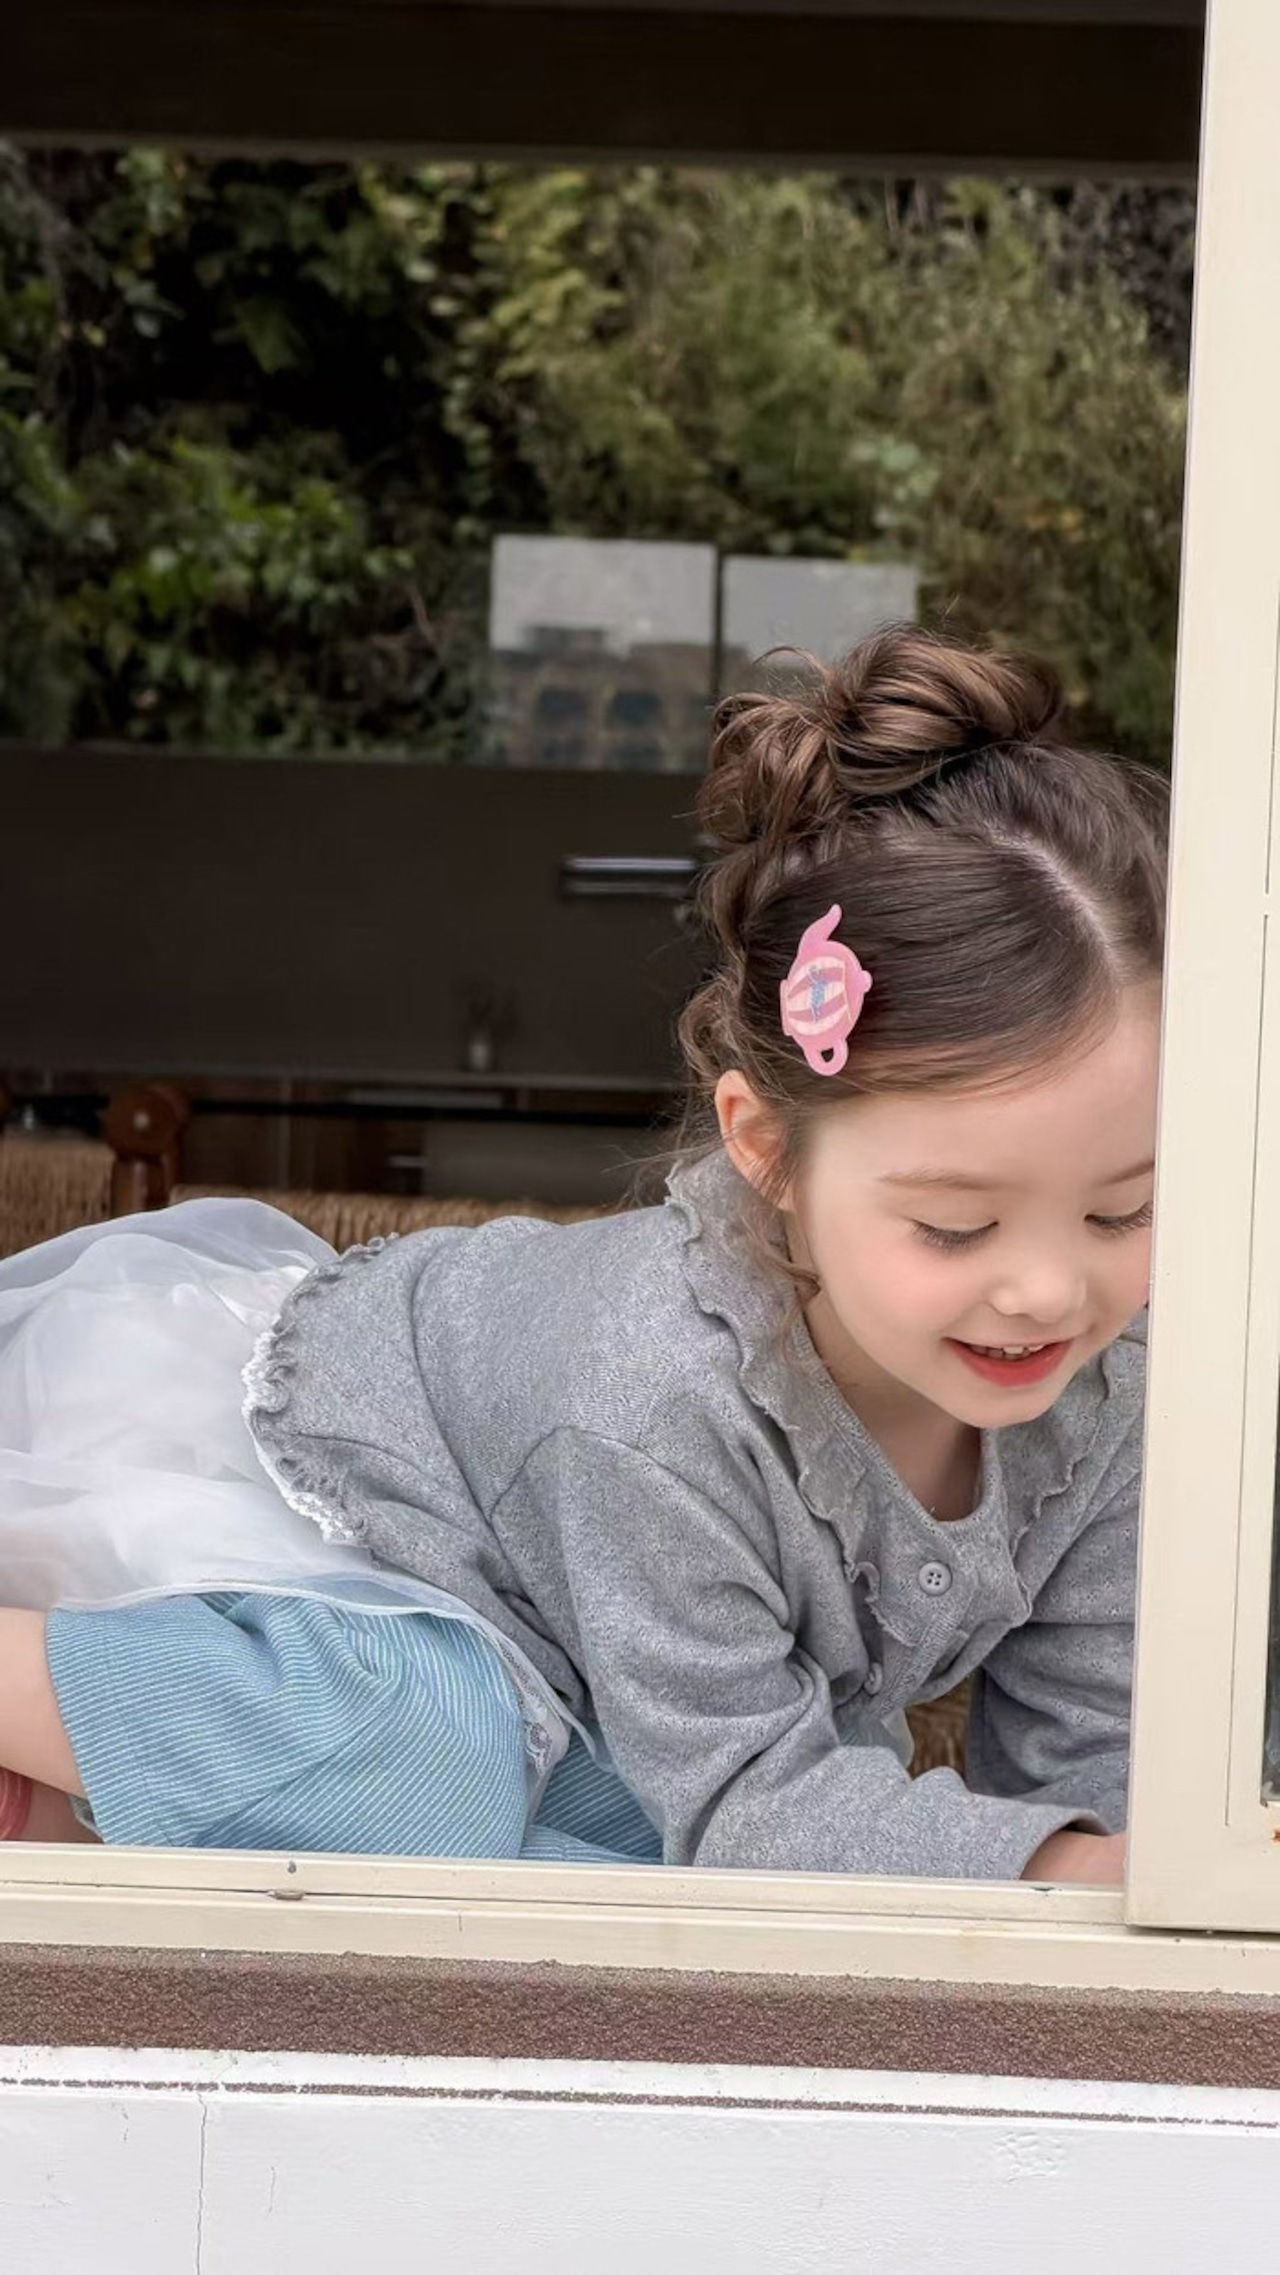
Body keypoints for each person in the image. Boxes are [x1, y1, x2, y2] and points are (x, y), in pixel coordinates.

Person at [0, 626, 1163, 1883]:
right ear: (769, 1151)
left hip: (586, 1654)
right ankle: (64, 1711)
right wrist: (1056, 1873)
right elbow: (749, 1806)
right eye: (953, 1226)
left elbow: (1095, 1771)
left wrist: (1125, 1870)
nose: (1047, 1290)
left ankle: (111, 1788)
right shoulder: (651, 1398)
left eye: (1123, 1212)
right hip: (366, 1517)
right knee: (429, 1762)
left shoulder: (1115, 1393)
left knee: (602, 1860)